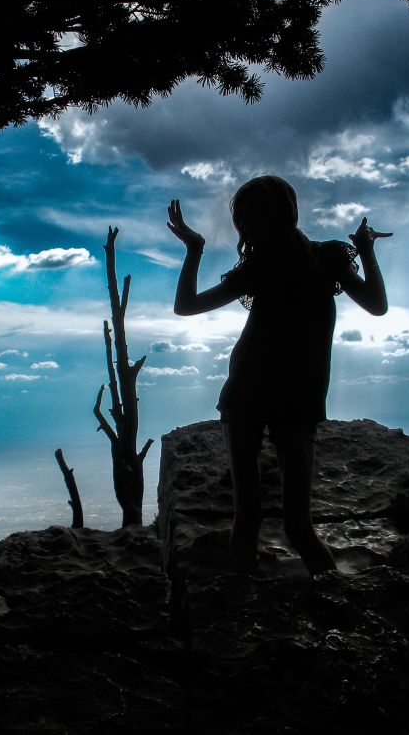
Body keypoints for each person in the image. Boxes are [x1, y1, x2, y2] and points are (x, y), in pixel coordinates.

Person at [167, 175, 390, 576]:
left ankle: (244, 609)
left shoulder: (273, 263)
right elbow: (377, 304)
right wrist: (367, 252)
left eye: (247, 217)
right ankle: (333, 607)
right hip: (282, 395)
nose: (247, 226)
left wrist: (194, 250)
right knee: (292, 525)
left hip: (256, 392)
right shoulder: (322, 259)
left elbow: (185, 306)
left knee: (255, 519)